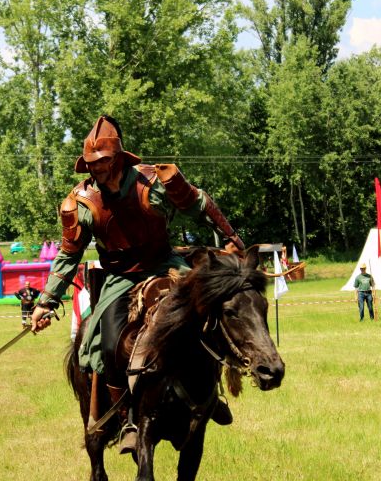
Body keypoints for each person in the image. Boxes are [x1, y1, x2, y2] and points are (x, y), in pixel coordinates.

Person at [30, 115, 244, 451]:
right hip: (119, 277)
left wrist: (231, 238)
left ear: (118, 159)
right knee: (106, 341)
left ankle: (209, 396)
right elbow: (68, 255)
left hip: (165, 265)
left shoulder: (155, 183)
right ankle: (127, 416)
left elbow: (199, 203)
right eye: (91, 163)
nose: (96, 169)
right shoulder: (81, 202)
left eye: (102, 161)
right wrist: (46, 302)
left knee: (207, 312)